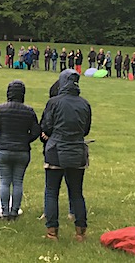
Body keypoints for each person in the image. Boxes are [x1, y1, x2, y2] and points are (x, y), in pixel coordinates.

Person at [40, 69, 91, 241]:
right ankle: (80, 232)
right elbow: (86, 130)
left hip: (55, 151)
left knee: (51, 191)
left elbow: (46, 127)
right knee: (77, 193)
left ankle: (52, 232)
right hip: (77, 151)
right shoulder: (85, 104)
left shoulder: (53, 102)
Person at [0, 80, 40, 221]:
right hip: (22, 150)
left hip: (4, 149)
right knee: (18, 181)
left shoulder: (0, 109)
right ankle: (14, 211)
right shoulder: (29, 111)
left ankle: (5, 212)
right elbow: (36, 130)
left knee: (4, 181)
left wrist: (0, 139)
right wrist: (26, 140)